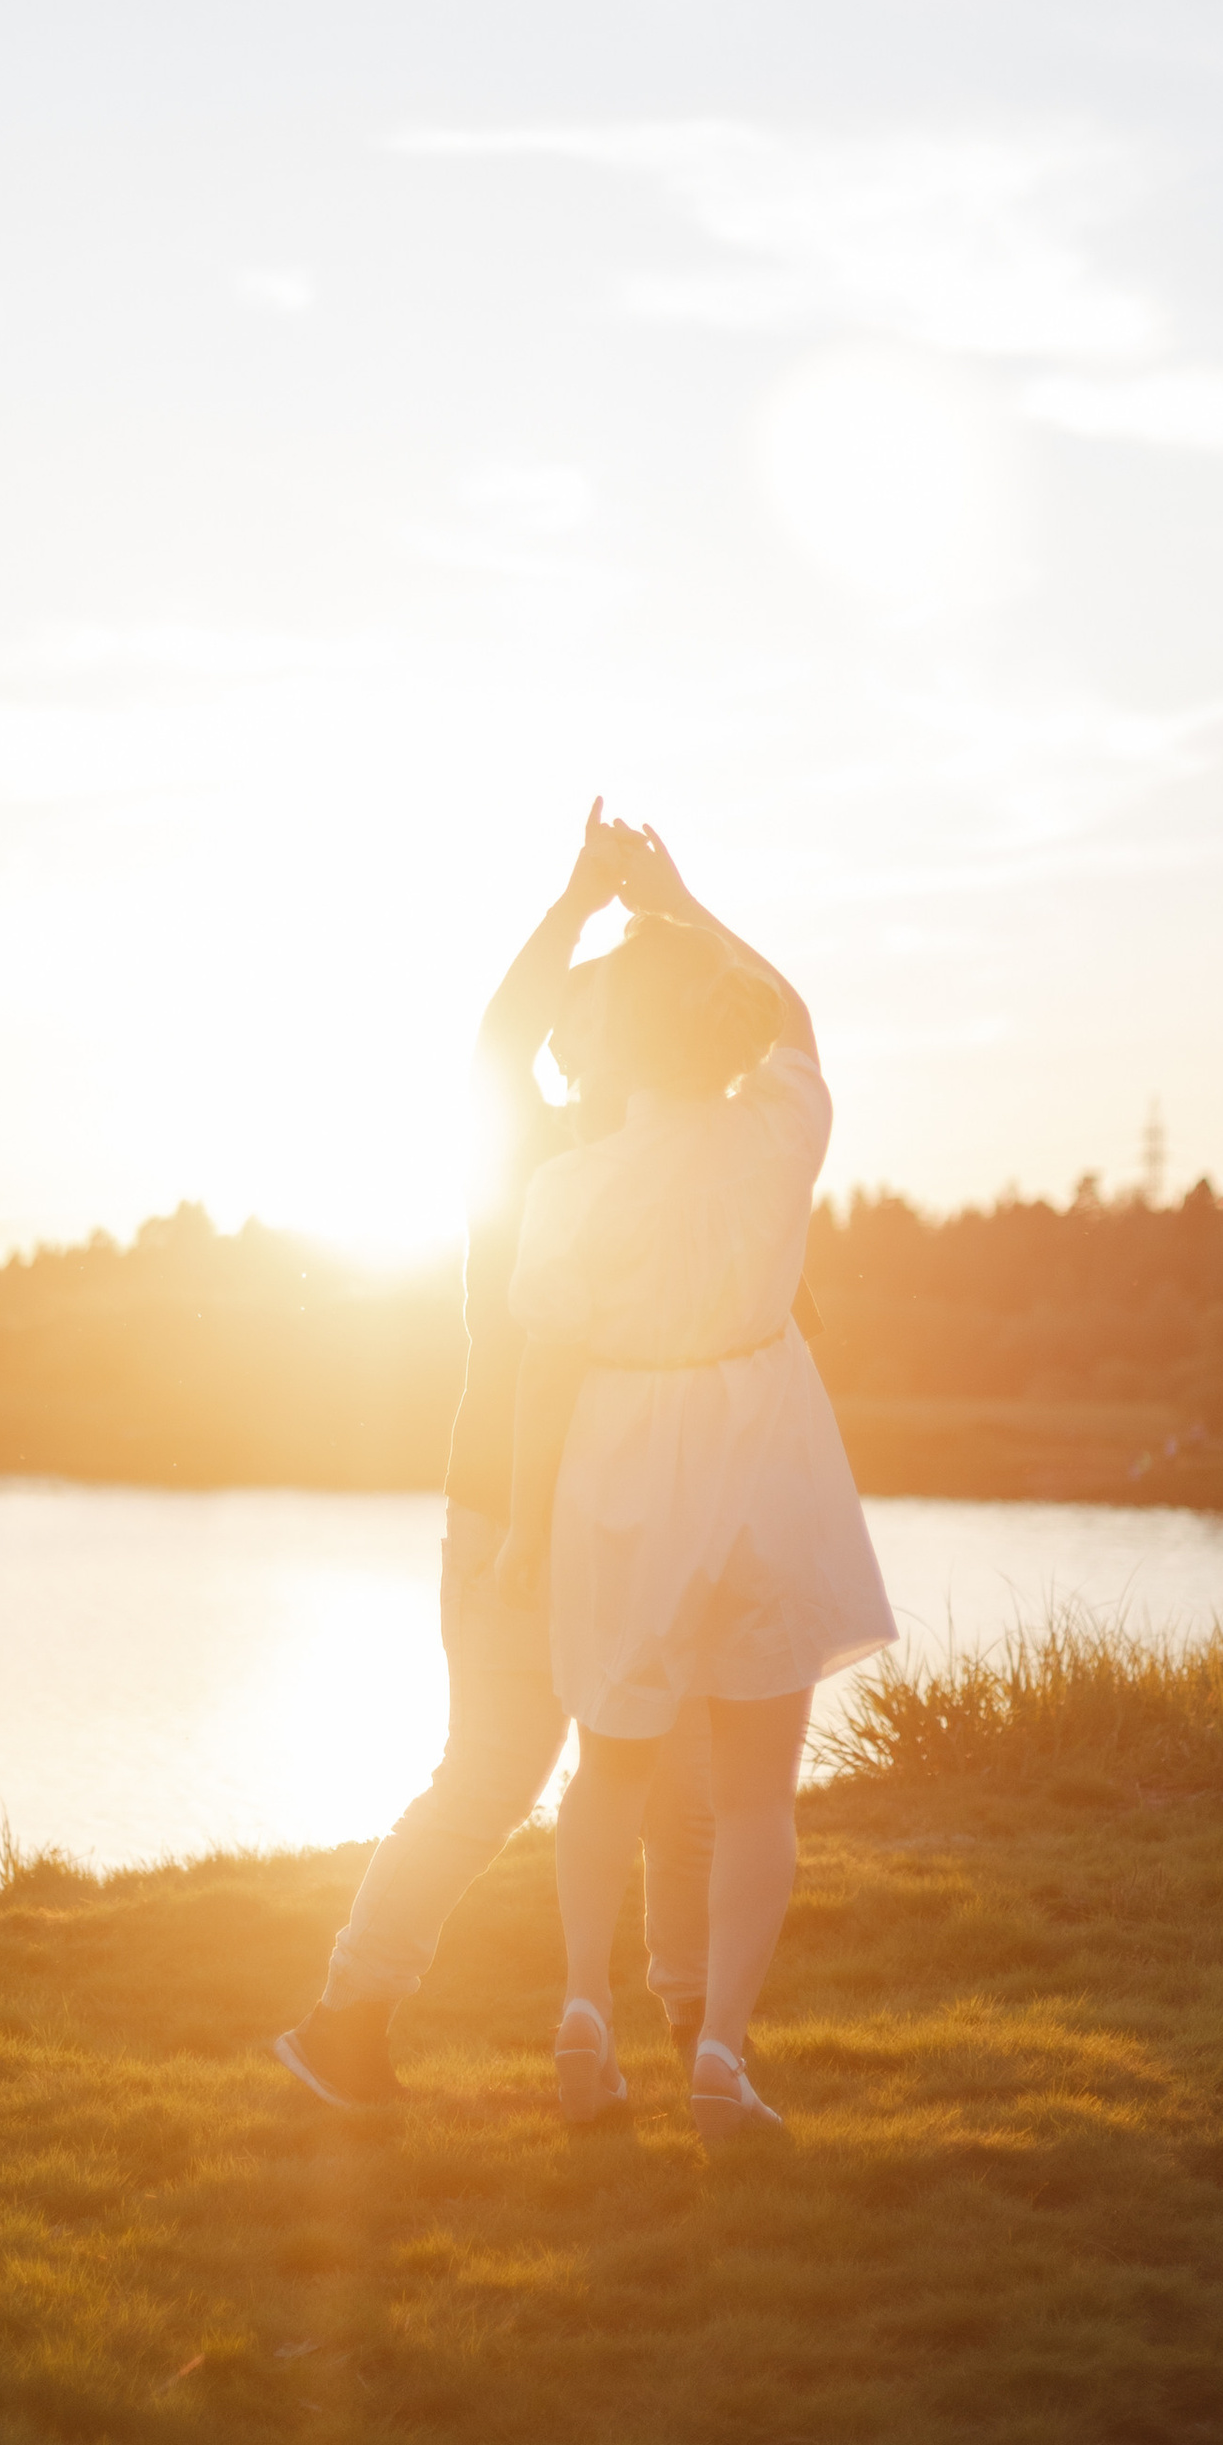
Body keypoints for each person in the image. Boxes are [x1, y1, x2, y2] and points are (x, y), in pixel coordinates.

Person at [271, 805, 717, 2112]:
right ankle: (345, 2018)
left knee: (669, 1786)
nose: (581, 1038)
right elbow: (498, 1040)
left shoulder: (666, 1167)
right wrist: (585, 898)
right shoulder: (526, 1150)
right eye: (580, 1024)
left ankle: (699, 2040)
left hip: (626, 1517)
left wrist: (666, 908)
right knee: (497, 1781)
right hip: (511, 1518)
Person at [499, 828, 898, 2144]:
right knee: (751, 1793)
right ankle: (719, 2049)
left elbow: (539, 1371)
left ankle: (580, 2009)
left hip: (621, 1459)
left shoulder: (566, 1188)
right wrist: (685, 904)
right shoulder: (777, 1130)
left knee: (609, 1769)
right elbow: (795, 1016)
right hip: (764, 1455)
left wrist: (520, 1525)